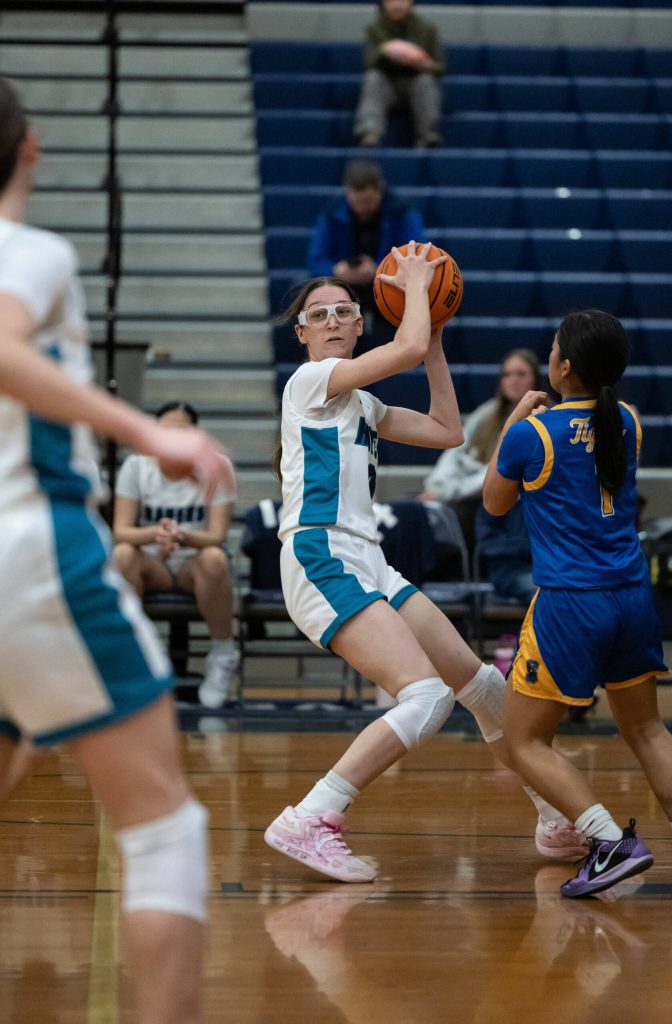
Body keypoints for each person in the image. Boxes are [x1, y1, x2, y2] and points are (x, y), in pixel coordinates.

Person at [0, 76, 236, 1023]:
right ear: (31, 149)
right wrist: (152, 435)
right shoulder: (32, 250)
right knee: (162, 826)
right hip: (28, 549)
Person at [264, 244, 588, 884]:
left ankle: (553, 818)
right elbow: (403, 351)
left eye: (343, 312)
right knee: (425, 695)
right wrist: (417, 286)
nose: (332, 321)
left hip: (366, 559)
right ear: (301, 333)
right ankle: (311, 816)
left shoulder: (364, 405)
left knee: (484, 689)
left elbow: (447, 430)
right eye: (317, 314)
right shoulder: (309, 382)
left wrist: (433, 334)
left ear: (360, 325)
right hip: (319, 552)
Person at [483, 308, 672, 898]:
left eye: (552, 348)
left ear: (563, 367)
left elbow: (494, 504)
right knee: (648, 729)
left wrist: (516, 418)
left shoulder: (532, 433)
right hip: (630, 595)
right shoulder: (629, 420)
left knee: (523, 742)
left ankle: (606, 841)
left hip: (570, 604)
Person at [113, 400, 239, 708]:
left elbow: (216, 536)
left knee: (215, 558)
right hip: (152, 562)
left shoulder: (217, 465)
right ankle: (132, 656)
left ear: (195, 435)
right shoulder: (136, 465)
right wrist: (157, 534)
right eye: (165, 431)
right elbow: (121, 530)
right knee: (123, 554)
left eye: (181, 431)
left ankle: (223, 655)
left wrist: (182, 536)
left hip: (191, 564)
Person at [421, 348, 541, 576]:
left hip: (506, 506)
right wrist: (437, 486)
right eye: (507, 374)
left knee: (449, 517)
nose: (513, 380)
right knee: (419, 509)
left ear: (535, 377)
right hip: (468, 495)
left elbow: (501, 470)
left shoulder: (542, 416)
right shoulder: (487, 413)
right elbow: (456, 453)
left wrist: (448, 492)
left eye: (521, 374)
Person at [307, 158, 424, 341]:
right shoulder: (331, 214)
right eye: (357, 201)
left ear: (380, 190)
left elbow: (415, 259)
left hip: (388, 286)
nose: (362, 208)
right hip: (343, 287)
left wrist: (379, 271)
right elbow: (315, 260)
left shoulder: (402, 213)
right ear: (348, 193)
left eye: (368, 201)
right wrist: (336, 271)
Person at [354, 0, 445, 148]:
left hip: (416, 83)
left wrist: (424, 64)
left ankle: (428, 135)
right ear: (383, 4)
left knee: (426, 80)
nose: (397, 5)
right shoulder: (374, 29)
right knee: (373, 78)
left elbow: (439, 67)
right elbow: (369, 63)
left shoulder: (427, 29)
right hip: (387, 85)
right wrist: (384, 52)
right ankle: (370, 132)